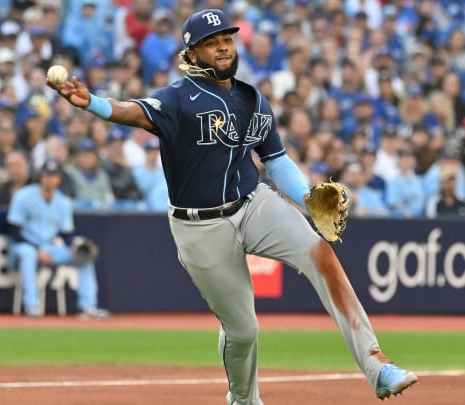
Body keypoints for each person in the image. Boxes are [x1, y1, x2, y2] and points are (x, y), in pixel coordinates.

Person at [47, 8, 416, 403]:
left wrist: (307, 199)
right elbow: (133, 111)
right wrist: (93, 104)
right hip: (200, 226)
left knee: (320, 254)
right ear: (191, 53)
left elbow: (274, 159)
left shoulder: (252, 98)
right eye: (211, 42)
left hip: (252, 202)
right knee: (243, 331)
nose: (222, 47)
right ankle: (242, 398)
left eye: (226, 39)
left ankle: (376, 364)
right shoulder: (177, 99)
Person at [7, 158, 110, 319]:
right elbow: (14, 231)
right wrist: (37, 249)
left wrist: (75, 245)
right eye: (47, 175)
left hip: (50, 248)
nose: (50, 179)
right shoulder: (23, 196)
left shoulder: (63, 202)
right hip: (23, 246)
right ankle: (32, 305)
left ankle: (88, 306)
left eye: (54, 176)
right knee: (28, 254)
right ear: (41, 176)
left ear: (60, 179)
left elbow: (66, 234)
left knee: (84, 257)